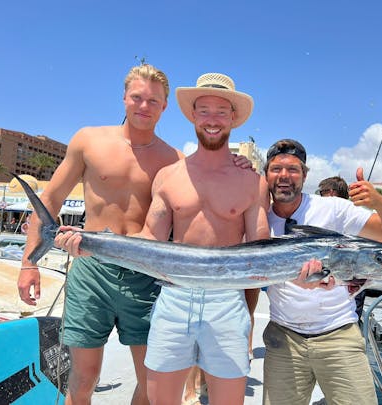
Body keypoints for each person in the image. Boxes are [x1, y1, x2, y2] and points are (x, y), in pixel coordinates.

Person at [17, 64, 185, 405]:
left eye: (153, 100)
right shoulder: (88, 140)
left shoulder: (175, 160)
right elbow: (50, 199)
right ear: (124, 98)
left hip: (145, 274)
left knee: (151, 382)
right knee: (83, 379)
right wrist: (28, 263)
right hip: (90, 269)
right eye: (137, 97)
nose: (144, 106)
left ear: (165, 106)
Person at [137, 72, 270, 405]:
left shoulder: (252, 182)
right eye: (205, 110)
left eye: (221, 112)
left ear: (233, 119)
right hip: (174, 296)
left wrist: (309, 273)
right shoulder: (168, 177)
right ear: (193, 115)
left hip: (227, 301)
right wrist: (91, 242)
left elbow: (262, 252)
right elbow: (148, 240)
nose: (213, 120)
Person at [263, 139, 382, 405]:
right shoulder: (257, 217)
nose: (284, 176)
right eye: (276, 169)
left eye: (293, 169)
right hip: (283, 338)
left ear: (305, 175)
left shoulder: (334, 209)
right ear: (266, 174)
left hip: (338, 334)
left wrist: (379, 202)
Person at [317, 176, 382, 320]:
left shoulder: (350, 215)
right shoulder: (344, 215)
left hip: (349, 287)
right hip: (339, 285)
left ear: (330, 192)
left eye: (321, 192)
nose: (320, 197)